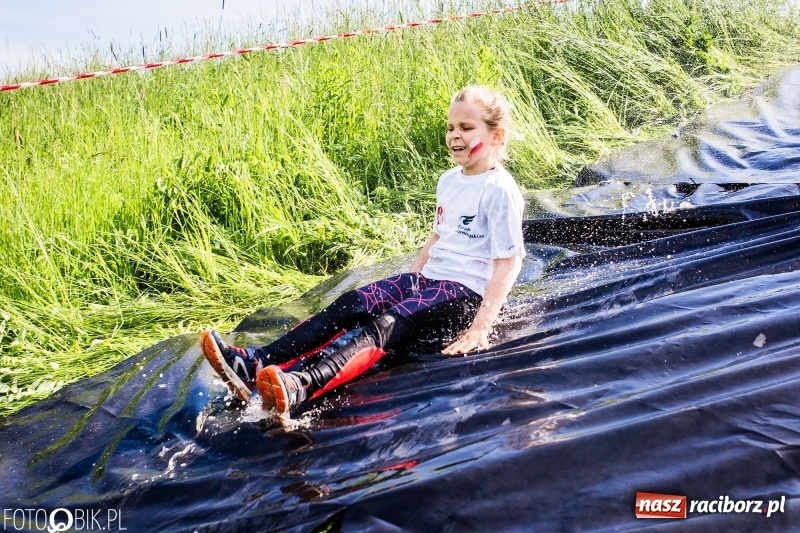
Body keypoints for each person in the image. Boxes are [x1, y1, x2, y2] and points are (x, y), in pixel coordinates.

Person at [200, 85, 526, 417]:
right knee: (352, 303)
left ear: (496, 136)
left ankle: (301, 386)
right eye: (451, 127)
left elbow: (509, 262)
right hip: (429, 280)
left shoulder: (499, 190)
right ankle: (254, 363)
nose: (455, 136)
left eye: (467, 128)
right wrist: (410, 281)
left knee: (387, 324)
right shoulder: (449, 180)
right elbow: (437, 237)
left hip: (465, 292)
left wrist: (481, 327)